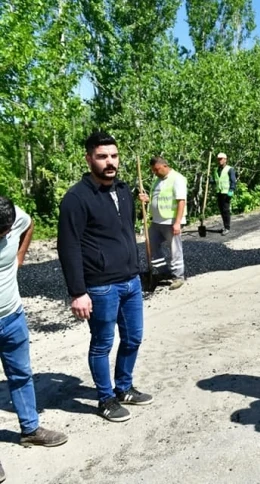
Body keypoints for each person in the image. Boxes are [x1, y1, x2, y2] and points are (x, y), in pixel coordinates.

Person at [57, 131, 153, 423]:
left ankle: (123, 387)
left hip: (130, 280)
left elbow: (124, 232)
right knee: (102, 343)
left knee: (134, 337)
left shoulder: (124, 190)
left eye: (113, 155)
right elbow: (68, 246)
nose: (109, 162)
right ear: (89, 159)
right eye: (102, 157)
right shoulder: (76, 198)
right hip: (100, 286)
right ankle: (105, 398)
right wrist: (77, 292)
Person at [0, 197, 68, 481]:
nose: (3, 237)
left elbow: (28, 225)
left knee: (21, 374)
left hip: (13, 317)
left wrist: (19, 258)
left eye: (4, 233)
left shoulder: (14, 216)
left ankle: (30, 430)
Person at [138, 156, 187, 290]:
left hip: (171, 221)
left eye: (157, 169)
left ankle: (178, 277)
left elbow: (181, 201)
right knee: (151, 245)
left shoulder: (177, 179)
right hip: (157, 220)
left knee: (174, 249)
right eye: (153, 170)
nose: (155, 172)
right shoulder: (157, 180)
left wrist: (177, 222)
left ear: (164, 166)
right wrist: (146, 199)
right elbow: (158, 198)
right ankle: (163, 271)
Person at [214, 152, 236, 235]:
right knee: (221, 210)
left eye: (221, 159)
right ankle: (225, 226)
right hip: (219, 192)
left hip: (226, 193)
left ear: (225, 160)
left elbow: (233, 181)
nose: (219, 160)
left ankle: (227, 227)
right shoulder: (216, 170)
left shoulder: (230, 169)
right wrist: (210, 180)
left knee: (225, 210)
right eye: (218, 159)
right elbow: (217, 181)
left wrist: (231, 190)